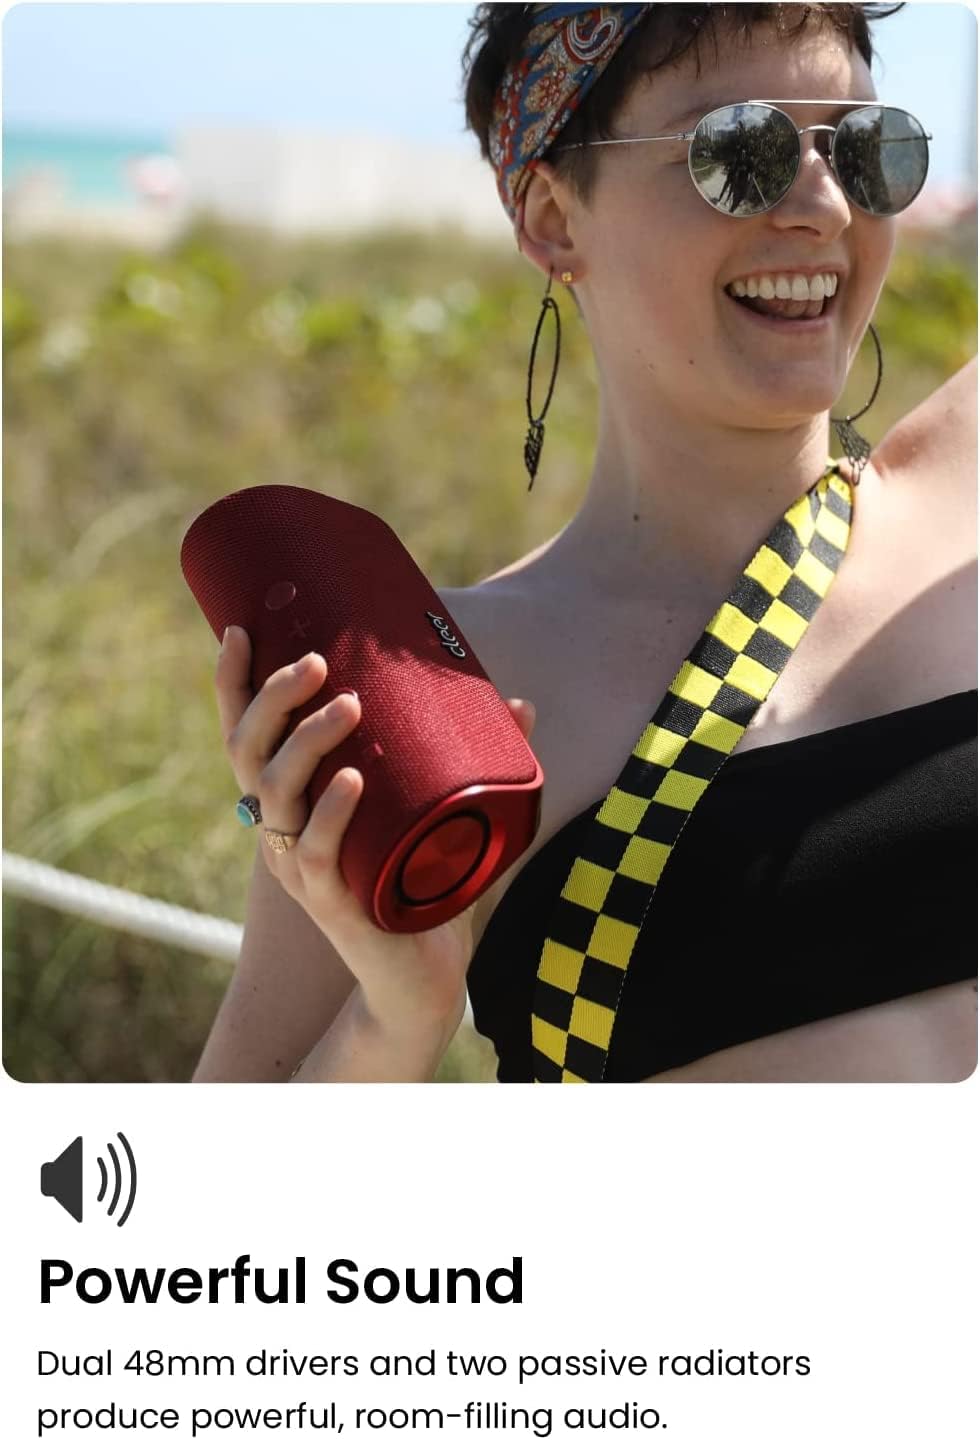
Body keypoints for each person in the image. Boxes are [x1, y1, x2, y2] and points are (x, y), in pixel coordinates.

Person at [194, 2, 976, 1084]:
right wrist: (392, 1020)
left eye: (860, 148)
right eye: (737, 152)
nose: (823, 205)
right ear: (553, 217)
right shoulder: (436, 693)